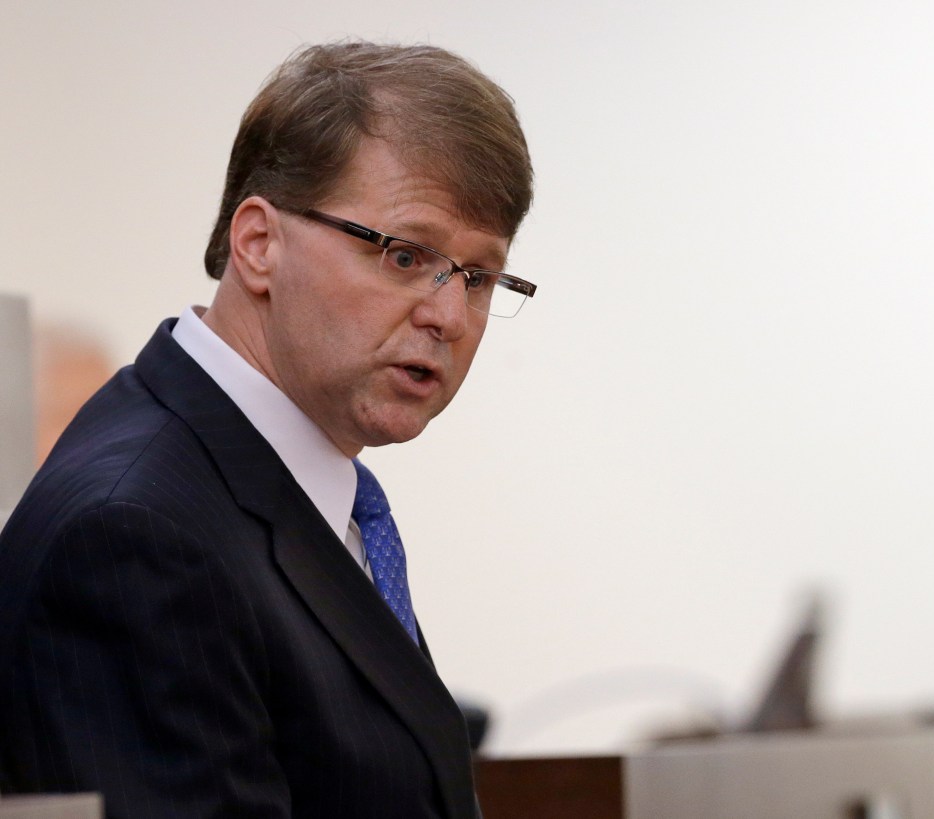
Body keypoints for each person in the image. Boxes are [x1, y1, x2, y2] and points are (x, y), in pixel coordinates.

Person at [0, 40, 535, 819]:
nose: (449, 315)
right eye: (404, 255)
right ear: (258, 243)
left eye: (479, 277)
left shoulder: (303, 492)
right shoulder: (135, 535)